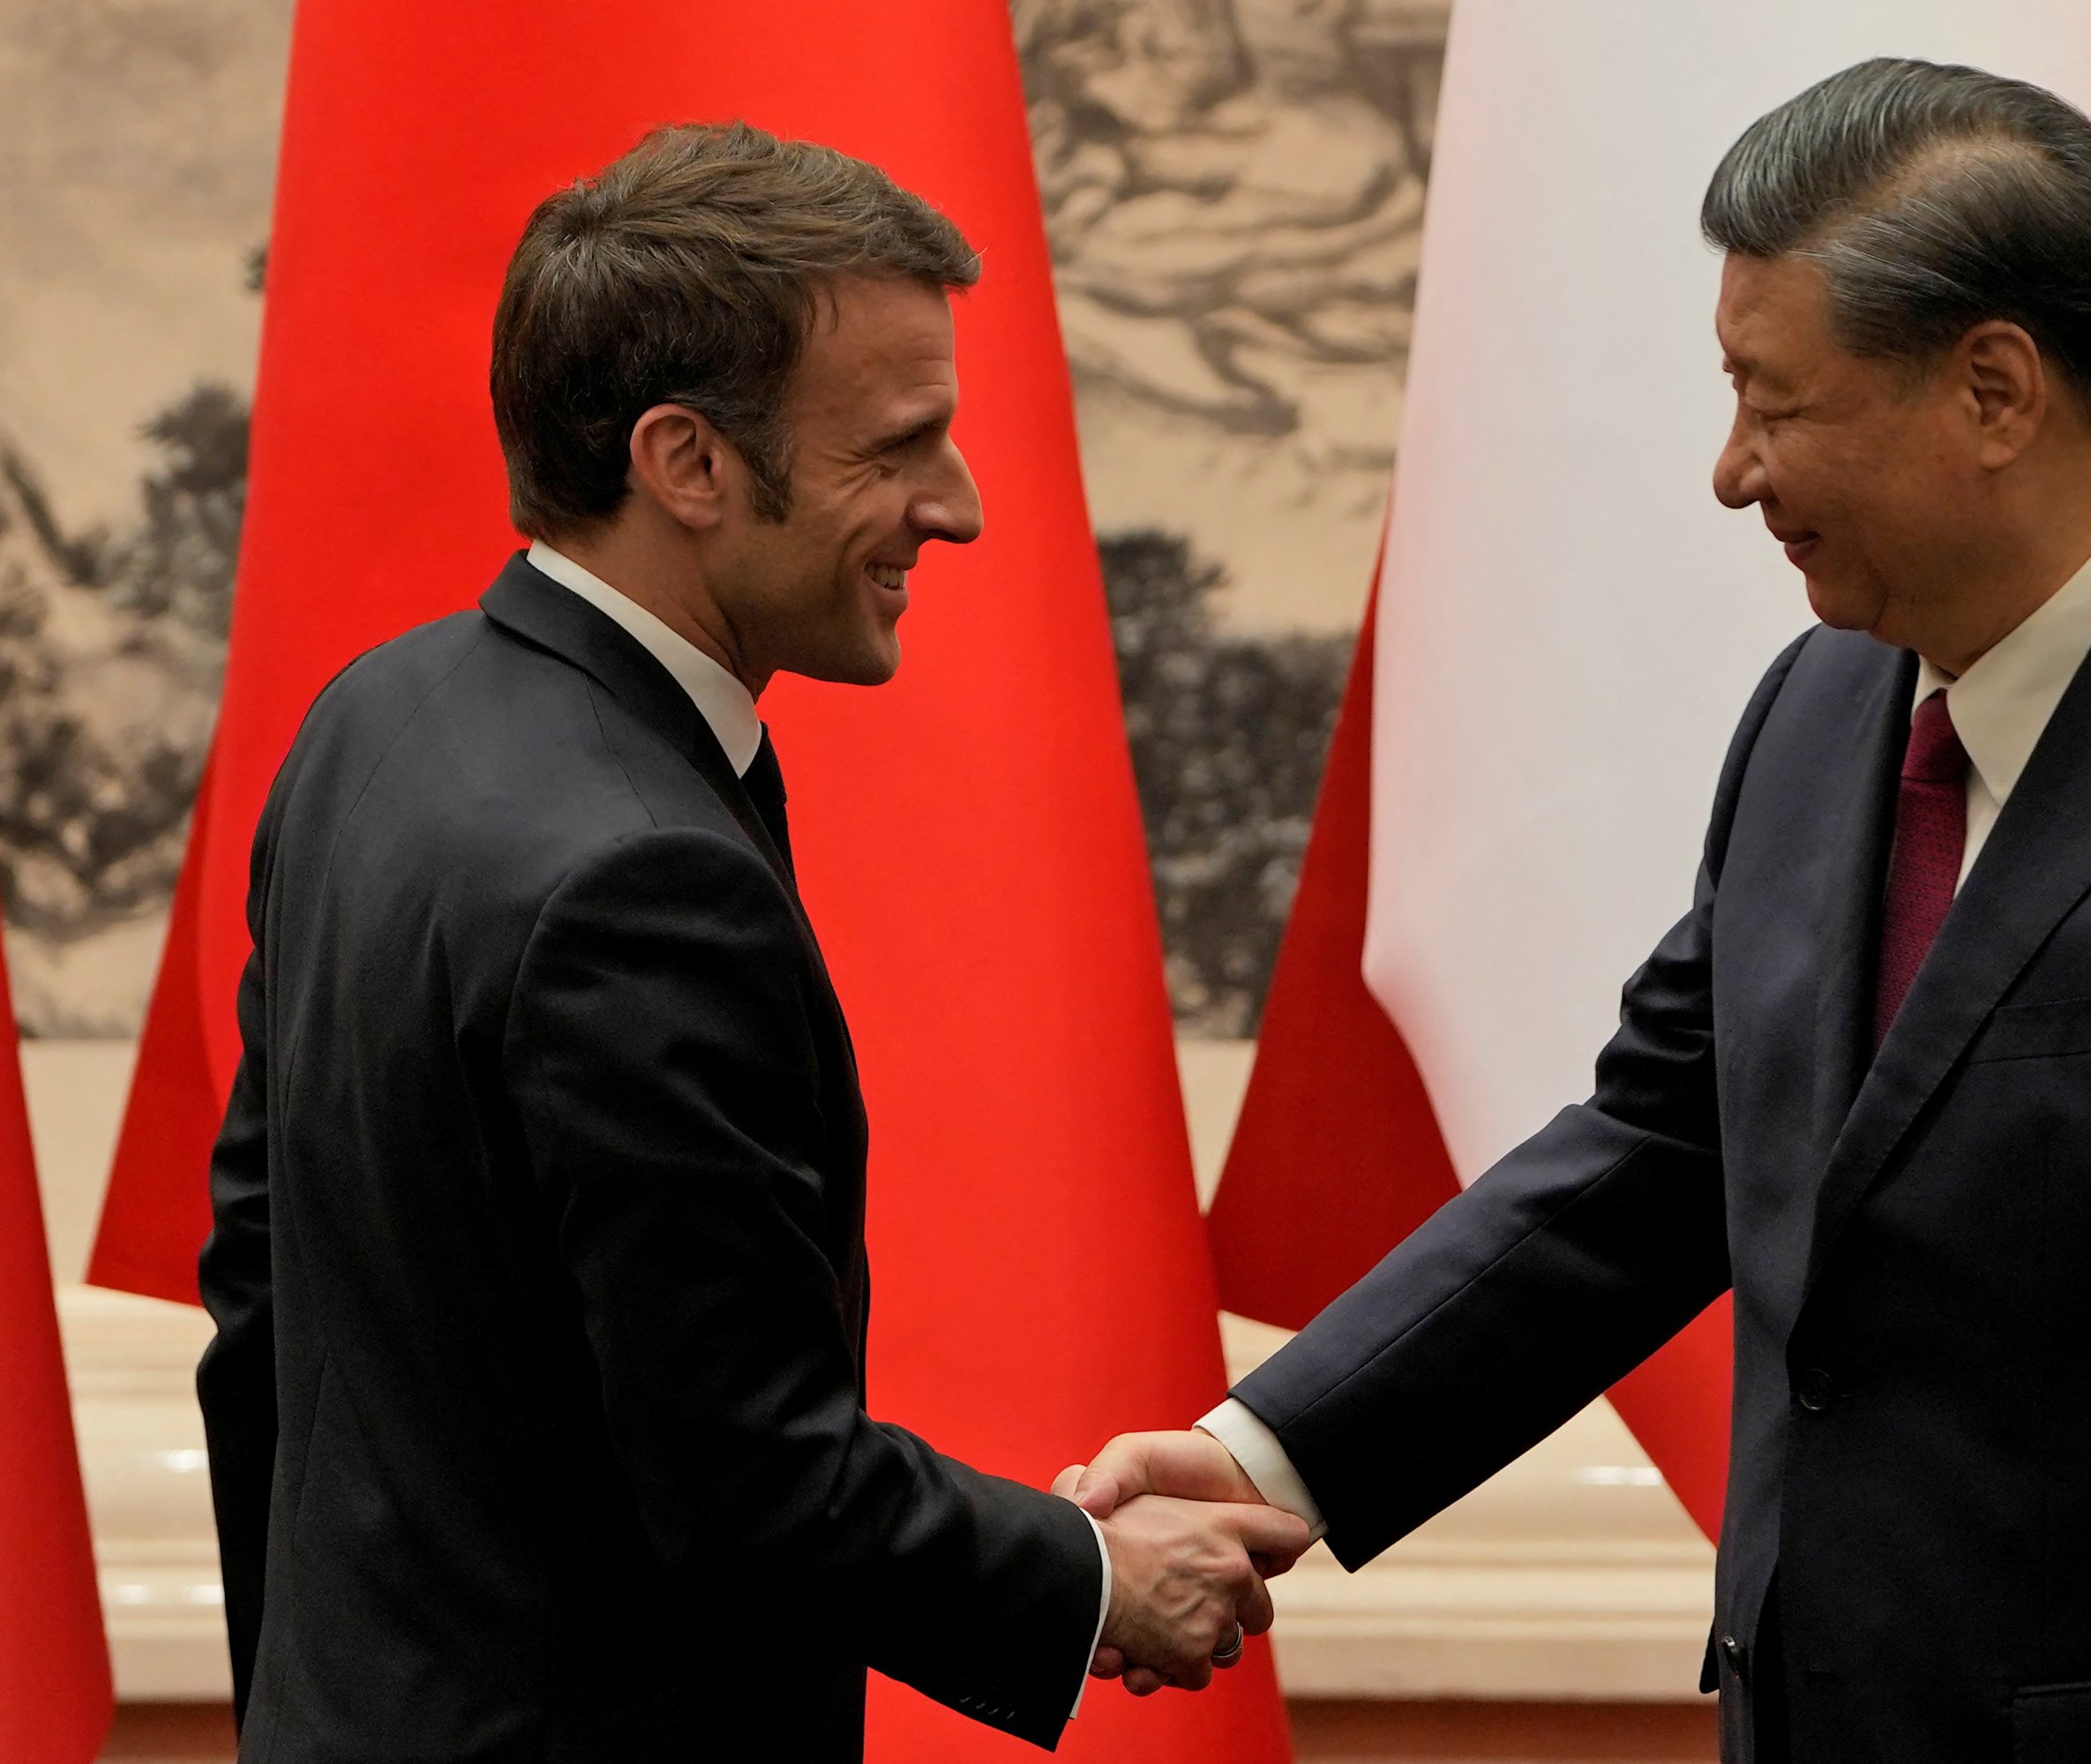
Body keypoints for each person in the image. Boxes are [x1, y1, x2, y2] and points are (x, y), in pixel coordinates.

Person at [1061, 58, 2091, 1762]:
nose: (1732, 473)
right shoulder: (1823, 712)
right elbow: (1657, 1157)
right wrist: (1270, 1459)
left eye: (1774, 403)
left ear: (1994, 389)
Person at [194, 122, 1308, 1764]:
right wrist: (1088, 1582)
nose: (964, 506)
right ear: (688, 463)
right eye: (901, 446)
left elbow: (261, 1306)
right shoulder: (641, 882)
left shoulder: (376, 721)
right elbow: (747, 1476)